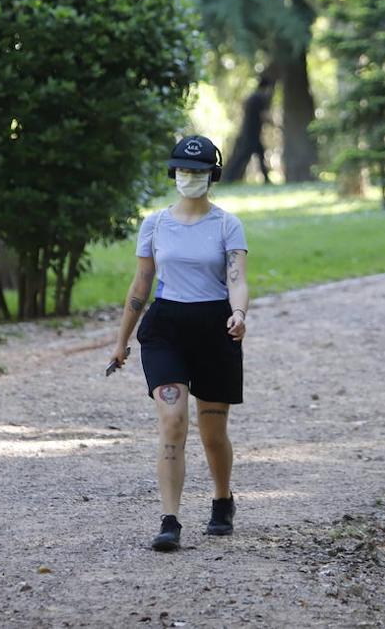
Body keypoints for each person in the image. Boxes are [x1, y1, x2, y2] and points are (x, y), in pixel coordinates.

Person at [109, 134, 250, 551]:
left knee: (212, 432)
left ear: (213, 176)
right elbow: (141, 284)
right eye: (185, 170)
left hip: (215, 329)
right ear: (174, 173)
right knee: (172, 421)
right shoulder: (155, 224)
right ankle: (170, 519)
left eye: (200, 171)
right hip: (166, 328)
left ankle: (222, 500)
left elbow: (237, 278)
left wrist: (238, 314)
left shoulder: (227, 224)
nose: (191, 177)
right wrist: (122, 341)